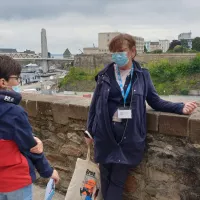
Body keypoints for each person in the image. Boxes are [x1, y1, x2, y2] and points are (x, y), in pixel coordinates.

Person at [85, 33, 197, 200]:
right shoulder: (105, 75)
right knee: (105, 178)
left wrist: (180, 107)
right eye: (114, 52)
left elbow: (155, 101)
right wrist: (89, 131)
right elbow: (94, 105)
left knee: (117, 181)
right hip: (105, 135)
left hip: (127, 138)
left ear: (132, 51)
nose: (117, 55)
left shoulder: (142, 75)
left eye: (121, 51)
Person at [0, 55, 60, 200]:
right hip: (14, 180)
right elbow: (29, 147)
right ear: (3, 82)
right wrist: (48, 171)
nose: (18, 81)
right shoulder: (13, 113)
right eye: (16, 78)